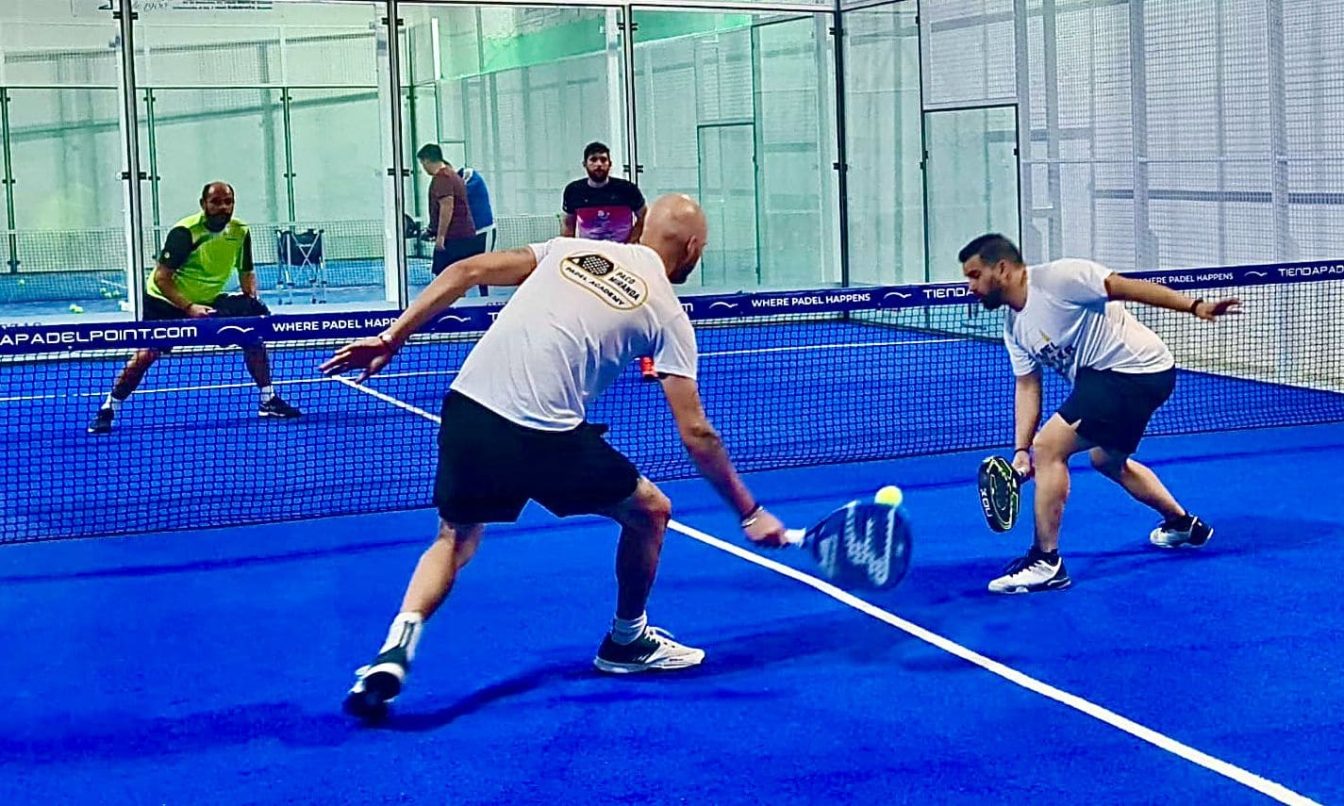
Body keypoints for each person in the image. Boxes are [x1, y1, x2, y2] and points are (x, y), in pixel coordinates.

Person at [322, 194, 787, 720]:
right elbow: (696, 432)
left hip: (469, 407)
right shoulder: (667, 311)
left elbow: (466, 268)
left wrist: (391, 336)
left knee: (453, 539)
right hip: (546, 436)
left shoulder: (566, 249)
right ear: (695, 248)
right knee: (651, 512)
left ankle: (395, 648)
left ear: (637, 227)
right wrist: (750, 511)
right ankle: (627, 642)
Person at [959, 234, 1240, 594]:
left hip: (1133, 369)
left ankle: (1046, 561)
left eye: (975, 275)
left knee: (1049, 448)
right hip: (1114, 378)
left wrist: (1194, 306)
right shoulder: (1014, 328)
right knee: (1106, 461)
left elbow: (1127, 287)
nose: (970, 287)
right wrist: (1019, 451)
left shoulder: (1059, 279)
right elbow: (1028, 387)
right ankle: (1183, 524)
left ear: (1002, 269)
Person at [86, 182, 301, 435]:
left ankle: (268, 399)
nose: (223, 207)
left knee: (253, 340)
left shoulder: (240, 231)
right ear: (203, 204)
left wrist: (251, 300)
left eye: (228, 202)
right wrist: (189, 307)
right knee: (147, 355)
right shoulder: (185, 232)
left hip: (207, 300)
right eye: (216, 202)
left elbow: (246, 270)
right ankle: (109, 407)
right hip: (165, 302)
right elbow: (161, 278)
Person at [561, 141, 647, 244]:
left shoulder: (628, 189)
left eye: (603, 160)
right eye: (593, 160)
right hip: (589, 251)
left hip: (622, 250)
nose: (599, 164)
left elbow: (645, 217)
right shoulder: (573, 191)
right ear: (584, 164)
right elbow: (568, 226)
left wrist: (631, 242)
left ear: (610, 164)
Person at [416, 144, 479, 276]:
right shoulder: (452, 175)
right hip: (464, 235)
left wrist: (441, 237)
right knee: (458, 276)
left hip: (453, 237)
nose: (423, 168)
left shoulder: (442, 178)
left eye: (422, 163)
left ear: (427, 160)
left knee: (445, 276)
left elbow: (447, 207)